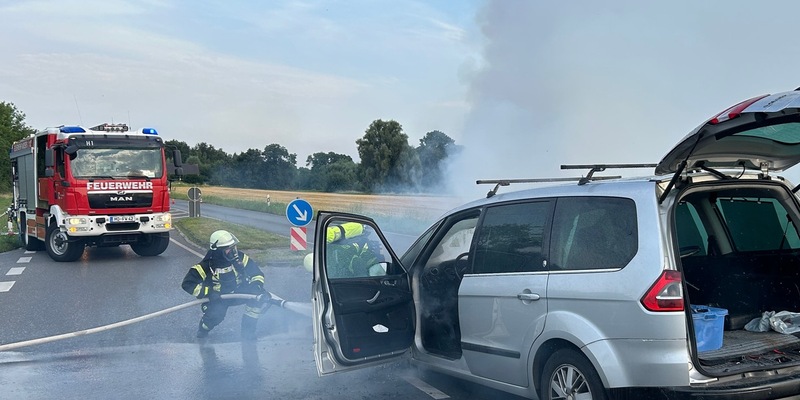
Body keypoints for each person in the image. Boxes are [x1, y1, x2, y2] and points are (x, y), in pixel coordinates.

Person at [181, 230, 273, 340]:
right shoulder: (205, 266)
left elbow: (256, 273)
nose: (234, 252)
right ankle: (203, 329)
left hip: (239, 293)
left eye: (234, 247)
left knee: (257, 298)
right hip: (218, 298)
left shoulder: (240, 258)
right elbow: (187, 284)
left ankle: (248, 333)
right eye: (229, 249)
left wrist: (256, 286)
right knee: (216, 316)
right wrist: (209, 292)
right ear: (218, 251)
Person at [304, 222, 386, 278]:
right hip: (361, 246)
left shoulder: (341, 259)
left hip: (365, 251)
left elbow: (360, 270)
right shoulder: (325, 249)